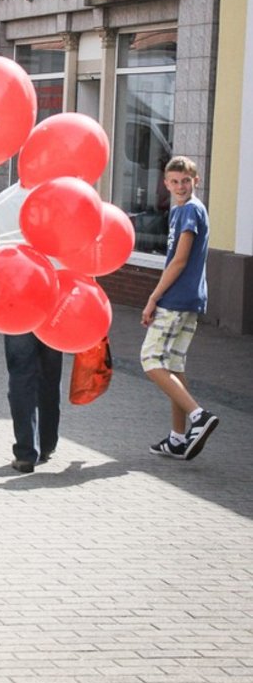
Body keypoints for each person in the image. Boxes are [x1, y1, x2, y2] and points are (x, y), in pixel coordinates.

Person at [0, 182, 62, 473]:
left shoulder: (3, 200)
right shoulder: (60, 197)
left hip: (15, 300)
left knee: (21, 374)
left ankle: (26, 451)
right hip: (56, 296)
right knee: (49, 375)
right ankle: (48, 443)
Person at [140, 155, 219, 460]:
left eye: (186, 181)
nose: (181, 186)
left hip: (175, 299)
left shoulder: (188, 212)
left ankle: (198, 416)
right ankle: (177, 438)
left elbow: (180, 260)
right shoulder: (185, 210)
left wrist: (153, 298)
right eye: (175, 181)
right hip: (191, 299)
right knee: (173, 365)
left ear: (196, 181)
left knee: (150, 359)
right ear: (166, 184)